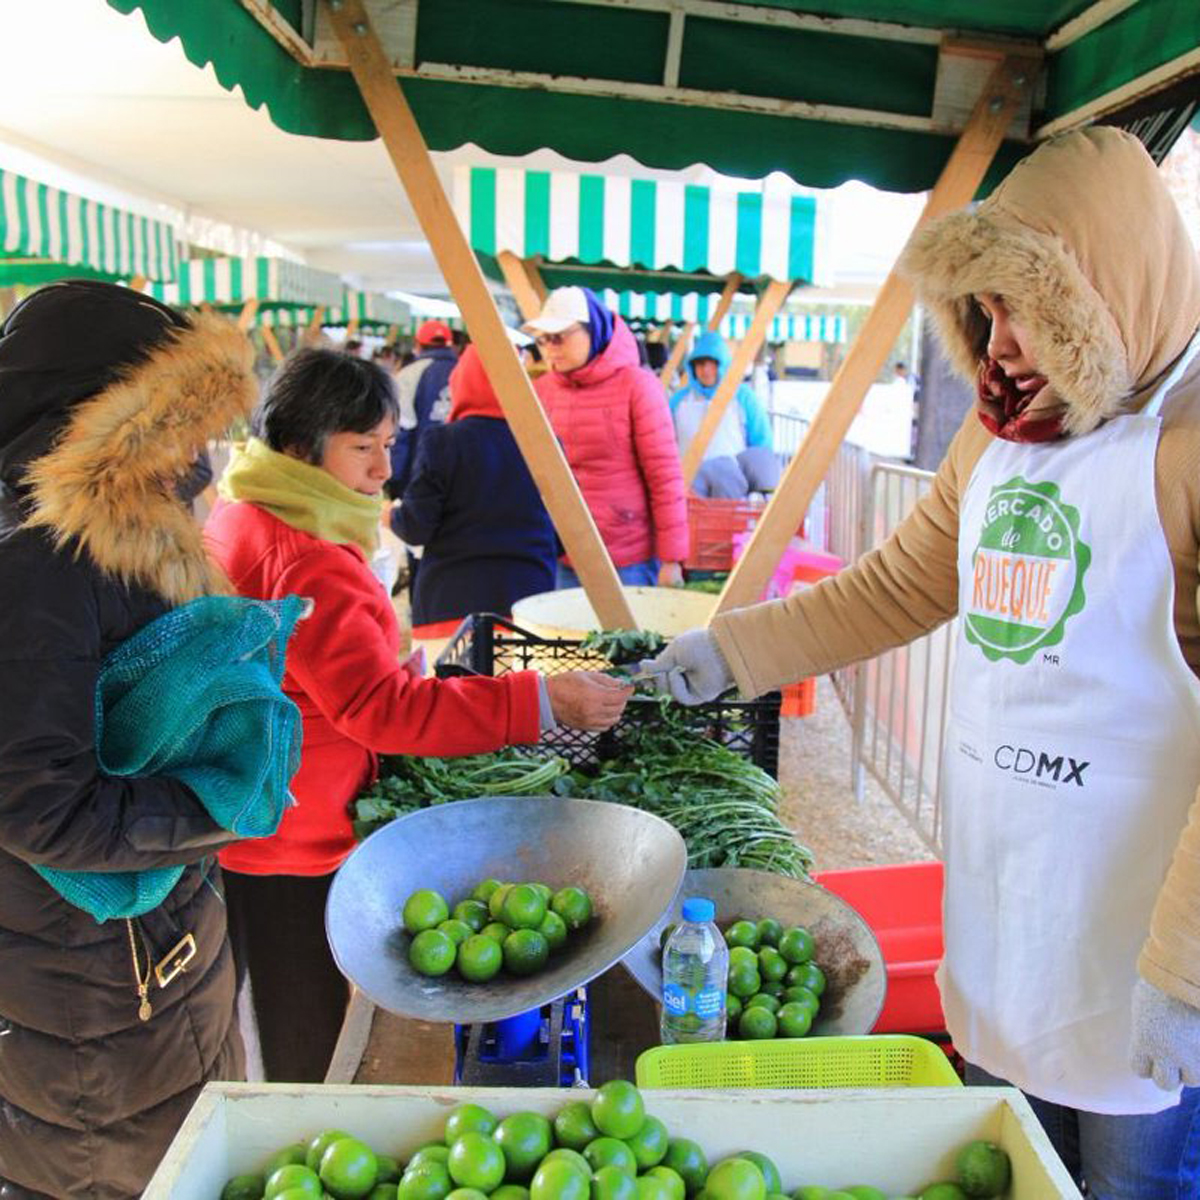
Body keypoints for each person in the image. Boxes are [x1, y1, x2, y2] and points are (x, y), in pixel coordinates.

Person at [641, 128, 1200, 1197]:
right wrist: (731, 651)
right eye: (985, 309)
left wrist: (1187, 972)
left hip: (1150, 947)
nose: (1001, 342)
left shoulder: (1188, 439)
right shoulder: (1000, 436)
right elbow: (900, 585)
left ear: (1107, 297)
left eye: (1030, 308)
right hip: (1013, 905)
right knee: (1014, 1173)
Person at [204, 348, 631, 1083]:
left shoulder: (244, 508)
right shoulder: (304, 556)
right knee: (299, 1012)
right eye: (362, 448)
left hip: (246, 805)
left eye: (390, 446)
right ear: (303, 447)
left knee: (257, 998)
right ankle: (300, 1140)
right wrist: (539, 698)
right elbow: (381, 710)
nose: (382, 471)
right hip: (292, 827)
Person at [0, 281, 261, 1198]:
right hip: (92, 1002)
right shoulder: (40, 563)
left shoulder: (109, 538)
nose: (198, 453)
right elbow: (41, 808)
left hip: (139, 971)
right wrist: (215, 799)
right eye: (176, 422)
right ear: (112, 422)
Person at [526, 286, 687, 588]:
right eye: (543, 339)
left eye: (560, 336)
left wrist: (671, 558)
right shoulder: (542, 390)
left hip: (628, 558)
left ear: (593, 330)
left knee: (622, 635)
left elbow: (664, 475)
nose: (550, 348)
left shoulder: (638, 386)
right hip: (560, 553)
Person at [390, 345, 556, 624]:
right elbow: (563, 537)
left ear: (461, 382)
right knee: (524, 670)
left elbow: (415, 527)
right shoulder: (546, 444)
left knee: (453, 670)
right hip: (529, 604)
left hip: (451, 603)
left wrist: (391, 515)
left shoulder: (443, 442)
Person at [671, 330, 775, 500]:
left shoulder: (743, 396)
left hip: (733, 490)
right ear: (692, 367)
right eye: (700, 364)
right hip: (689, 492)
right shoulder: (678, 401)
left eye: (712, 364)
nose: (706, 370)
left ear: (723, 364)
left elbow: (761, 444)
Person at [386, 319, 458, 500]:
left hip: (420, 473)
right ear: (450, 344)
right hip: (462, 471)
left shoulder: (409, 374)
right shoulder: (466, 371)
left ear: (418, 345)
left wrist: (394, 479)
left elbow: (402, 428)